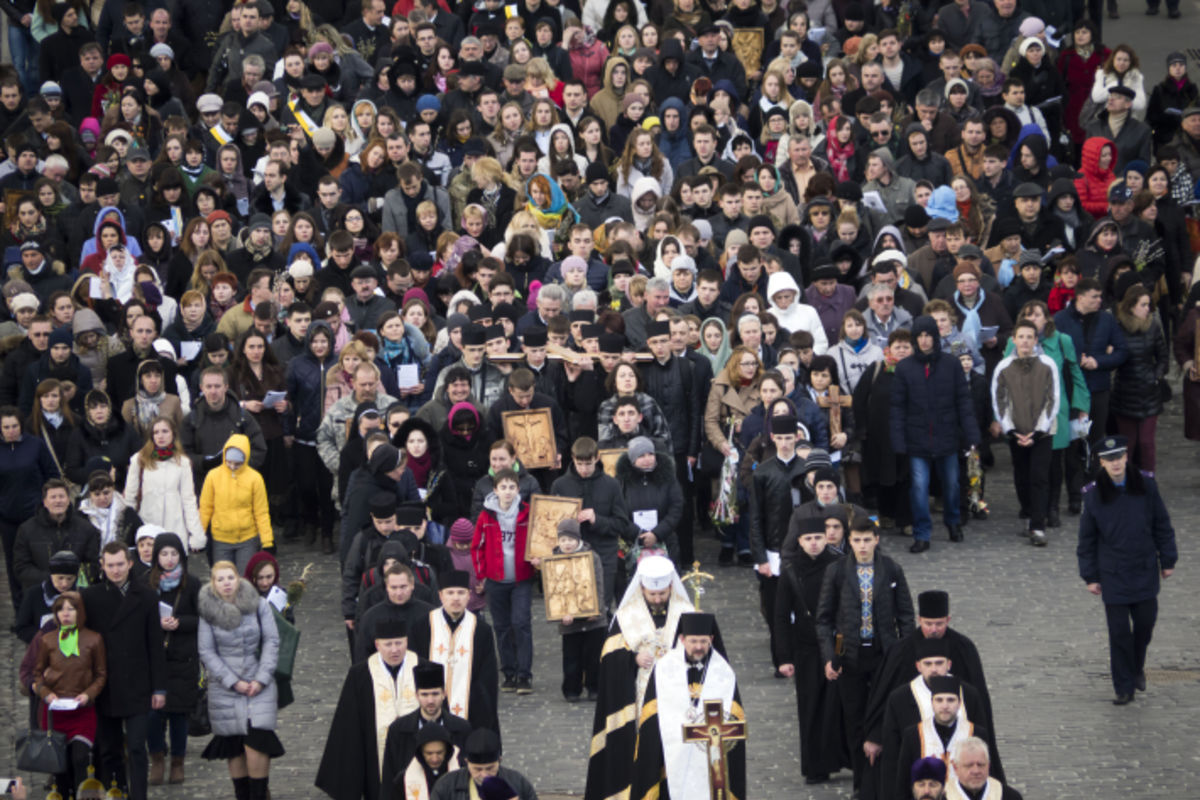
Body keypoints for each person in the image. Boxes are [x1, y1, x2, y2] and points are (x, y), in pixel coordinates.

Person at [816, 518, 914, 796]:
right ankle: (862, 784)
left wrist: (905, 653)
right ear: (850, 541)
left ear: (876, 540)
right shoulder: (836, 572)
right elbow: (823, 619)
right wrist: (828, 656)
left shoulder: (892, 569)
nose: (862, 546)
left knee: (887, 716)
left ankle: (888, 780)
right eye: (857, 540)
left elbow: (905, 614)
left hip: (885, 655)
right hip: (850, 657)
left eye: (867, 540)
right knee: (855, 720)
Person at [1077, 435, 1177, 705]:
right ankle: (1123, 686)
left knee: (1145, 624)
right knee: (1119, 632)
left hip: (1143, 568)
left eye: (1119, 457)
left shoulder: (1145, 484)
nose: (1116, 463)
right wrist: (1090, 576)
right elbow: (1086, 540)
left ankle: (1136, 666)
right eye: (1109, 459)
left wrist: (1168, 560)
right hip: (1114, 573)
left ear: (1126, 457)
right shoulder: (1094, 495)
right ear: (1101, 463)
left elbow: (1161, 524)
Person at [584, 555, 694, 800]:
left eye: (662, 594)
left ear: (671, 588)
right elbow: (609, 659)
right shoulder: (626, 616)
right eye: (652, 594)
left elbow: (701, 652)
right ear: (642, 588)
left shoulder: (685, 612)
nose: (657, 599)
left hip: (676, 695)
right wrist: (632, 659)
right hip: (638, 696)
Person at [82, 541, 168, 800]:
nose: (116, 570)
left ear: (130, 564)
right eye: (111, 565)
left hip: (138, 683)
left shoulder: (147, 596)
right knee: (109, 749)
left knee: (137, 746)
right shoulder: (91, 597)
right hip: (106, 683)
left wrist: (159, 687)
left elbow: (155, 644)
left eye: (120, 564)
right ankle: (117, 793)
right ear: (102, 566)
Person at [630, 611, 746, 800]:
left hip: (710, 757)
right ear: (682, 639)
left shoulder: (722, 672)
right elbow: (651, 714)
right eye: (693, 641)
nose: (699, 647)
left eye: (703, 641)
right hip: (671, 753)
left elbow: (734, 721)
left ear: (712, 639)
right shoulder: (665, 668)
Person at [890, 316, 979, 553]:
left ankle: (952, 521)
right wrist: (898, 440)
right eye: (919, 336)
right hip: (916, 438)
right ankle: (922, 533)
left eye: (928, 335)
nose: (924, 340)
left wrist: (971, 435)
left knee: (951, 485)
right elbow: (897, 406)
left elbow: (963, 401)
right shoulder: (905, 367)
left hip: (947, 435)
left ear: (935, 337)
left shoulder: (951, 364)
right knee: (919, 487)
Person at [875, 637, 1003, 800]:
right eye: (928, 664)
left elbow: (986, 763)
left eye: (939, 663)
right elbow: (894, 765)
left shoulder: (970, 698)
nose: (934, 669)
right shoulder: (903, 707)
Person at [197, 560, 283, 800]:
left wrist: (261, 678)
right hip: (225, 687)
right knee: (233, 745)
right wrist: (232, 681)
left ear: (238, 579)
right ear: (213, 584)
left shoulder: (259, 605)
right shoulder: (208, 612)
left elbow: (271, 641)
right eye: (220, 579)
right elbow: (206, 651)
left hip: (258, 684)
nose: (226, 584)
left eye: (230, 578)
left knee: (257, 741)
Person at [316, 618, 425, 800]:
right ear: (377, 645)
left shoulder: (423, 668)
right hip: (375, 755)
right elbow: (348, 723)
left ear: (407, 642)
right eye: (388, 644)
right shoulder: (360, 674)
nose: (394, 649)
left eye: (399, 643)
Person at [775, 514, 845, 784]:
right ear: (800, 541)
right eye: (808, 539)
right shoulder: (791, 571)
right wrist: (783, 657)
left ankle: (845, 756)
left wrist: (839, 650)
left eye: (818, 538)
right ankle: (816, 765)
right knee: (811, 705)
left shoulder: (839, 565)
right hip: (806, 646)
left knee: (840, 703)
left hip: (836, 643)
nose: (814, 543)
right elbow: (780, 616)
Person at [990, 320, 1060, 546]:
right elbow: (999, 400)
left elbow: (1053, 399)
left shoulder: (1047, 364)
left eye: (1030, 337)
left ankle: (1038, 525)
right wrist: (1011, 429)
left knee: (1039, 476)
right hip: (1016, 430)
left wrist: (1038, 431)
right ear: (1014, 340)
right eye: (1021, 337)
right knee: (1022, 476)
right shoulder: (1004, 367)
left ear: (1036, 340)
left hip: (1043, 431)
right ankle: (1029, 514)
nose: (1025, 341)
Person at [748, 414, 808, 675]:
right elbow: (755, 517)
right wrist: (760, 557)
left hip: (802, 549)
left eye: (789, 438)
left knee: (804, 606)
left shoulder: (806, 470)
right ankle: (781, 659)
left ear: (797, 438)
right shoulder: (762, 472)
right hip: (772, 551)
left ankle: (802, 654)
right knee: (776, 609)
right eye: (780, 438)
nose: (784, 443)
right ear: (772, 438)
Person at [408, 570, 500, 736]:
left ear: (469, 596)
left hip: (471, 709)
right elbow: (414, 669)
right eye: (450, 593)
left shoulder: (481, 630)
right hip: (431, 708)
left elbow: (488, 678)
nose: (455, 598)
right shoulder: (423, 626)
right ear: (441, 596)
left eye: (460, 593)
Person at [33, 590, 107, 798]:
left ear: (80, 611)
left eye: (71, 609)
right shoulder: (47, 640)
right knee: (59, 765)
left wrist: (88, 694)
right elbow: (37, 674)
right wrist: (46, 693)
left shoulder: (93, 639)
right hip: (55, 711)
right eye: (60, 609)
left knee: (80, 758)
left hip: (82, 710)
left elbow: (101, 674)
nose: (65, 614)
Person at [472, 468, 535, 694]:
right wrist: (481, 576)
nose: (507, 492)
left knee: (521, 623)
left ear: (518, 489)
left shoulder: (527, 512)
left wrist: (537, 558)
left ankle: (524, 674)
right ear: (495, 490)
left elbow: (537, 540)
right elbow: (477, 547)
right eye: (503, 487)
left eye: (511, 487)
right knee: (501, 627)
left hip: (521, 578)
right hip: (496, 580)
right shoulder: (486, 515)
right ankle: (508, 671)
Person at [146, 532, 199, 786]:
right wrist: (157, 623)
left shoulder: (192, 584)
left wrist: (180, 623)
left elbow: (201, 619)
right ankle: (157, 757)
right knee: (153, 714)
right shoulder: (146, 583)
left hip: (183, 657)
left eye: (174, 554)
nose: (169, 559)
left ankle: (178, 761)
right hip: (154, 658)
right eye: (164, 554)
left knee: (179, 714)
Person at [892, 675, 1000, 800]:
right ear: (932, 703)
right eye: (939, 700)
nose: (945, 706)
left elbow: (988, 775)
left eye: (950, 700)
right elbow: (903, 781)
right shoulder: (913, 734)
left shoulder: (976, 732)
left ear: (959, 703)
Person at [377, 661, 472, 797]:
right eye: (425, 695)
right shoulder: (398, 730)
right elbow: (389, 778)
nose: (430, 701)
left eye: (435, 694)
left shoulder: (462, 728)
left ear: (444, 694)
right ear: (416, 695)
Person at [0, 404, 56, 610]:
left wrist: (46, 502)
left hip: (34, 514)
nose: (11, 431)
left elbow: (51, 473)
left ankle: (42, 607)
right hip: (8, 517)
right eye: (6, 427)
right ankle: (20, 611)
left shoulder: (35, 445)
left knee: (39, 560)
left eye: (14, 426)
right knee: (14, 565)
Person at [124, 416, 206, 553]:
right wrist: (127, 527)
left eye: (165, 431)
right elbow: (130, 497)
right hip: (147, 524)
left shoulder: (183, 462)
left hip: (175, 526)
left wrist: (196, 533)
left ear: (173, 433)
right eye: (156, 432)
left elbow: (189, 500)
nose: (160, 436)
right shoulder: (139, 460)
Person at [199, 434, 272, 573]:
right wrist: (199, 536)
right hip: (221, 538)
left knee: (245, 580)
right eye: (229, 462)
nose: (232, 466)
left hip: (247, 538)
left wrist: (267, 540)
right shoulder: (213, 476)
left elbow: (261, 511)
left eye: (237, 464)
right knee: (223, 579)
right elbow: (205, 508)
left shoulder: (255, 479)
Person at [428, 729, 538, 800]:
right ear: (467, 762)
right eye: (477, 769)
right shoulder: (446, 785)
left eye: (490, 768)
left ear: (499, 761)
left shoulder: (517, 783)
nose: (484, 775)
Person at [946, 737, 1026, 799]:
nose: (976, 771)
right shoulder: (942, 796)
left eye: (981, 765)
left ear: (988, 765)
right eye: (969, 765)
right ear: (955, 767)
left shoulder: (1009, 797)